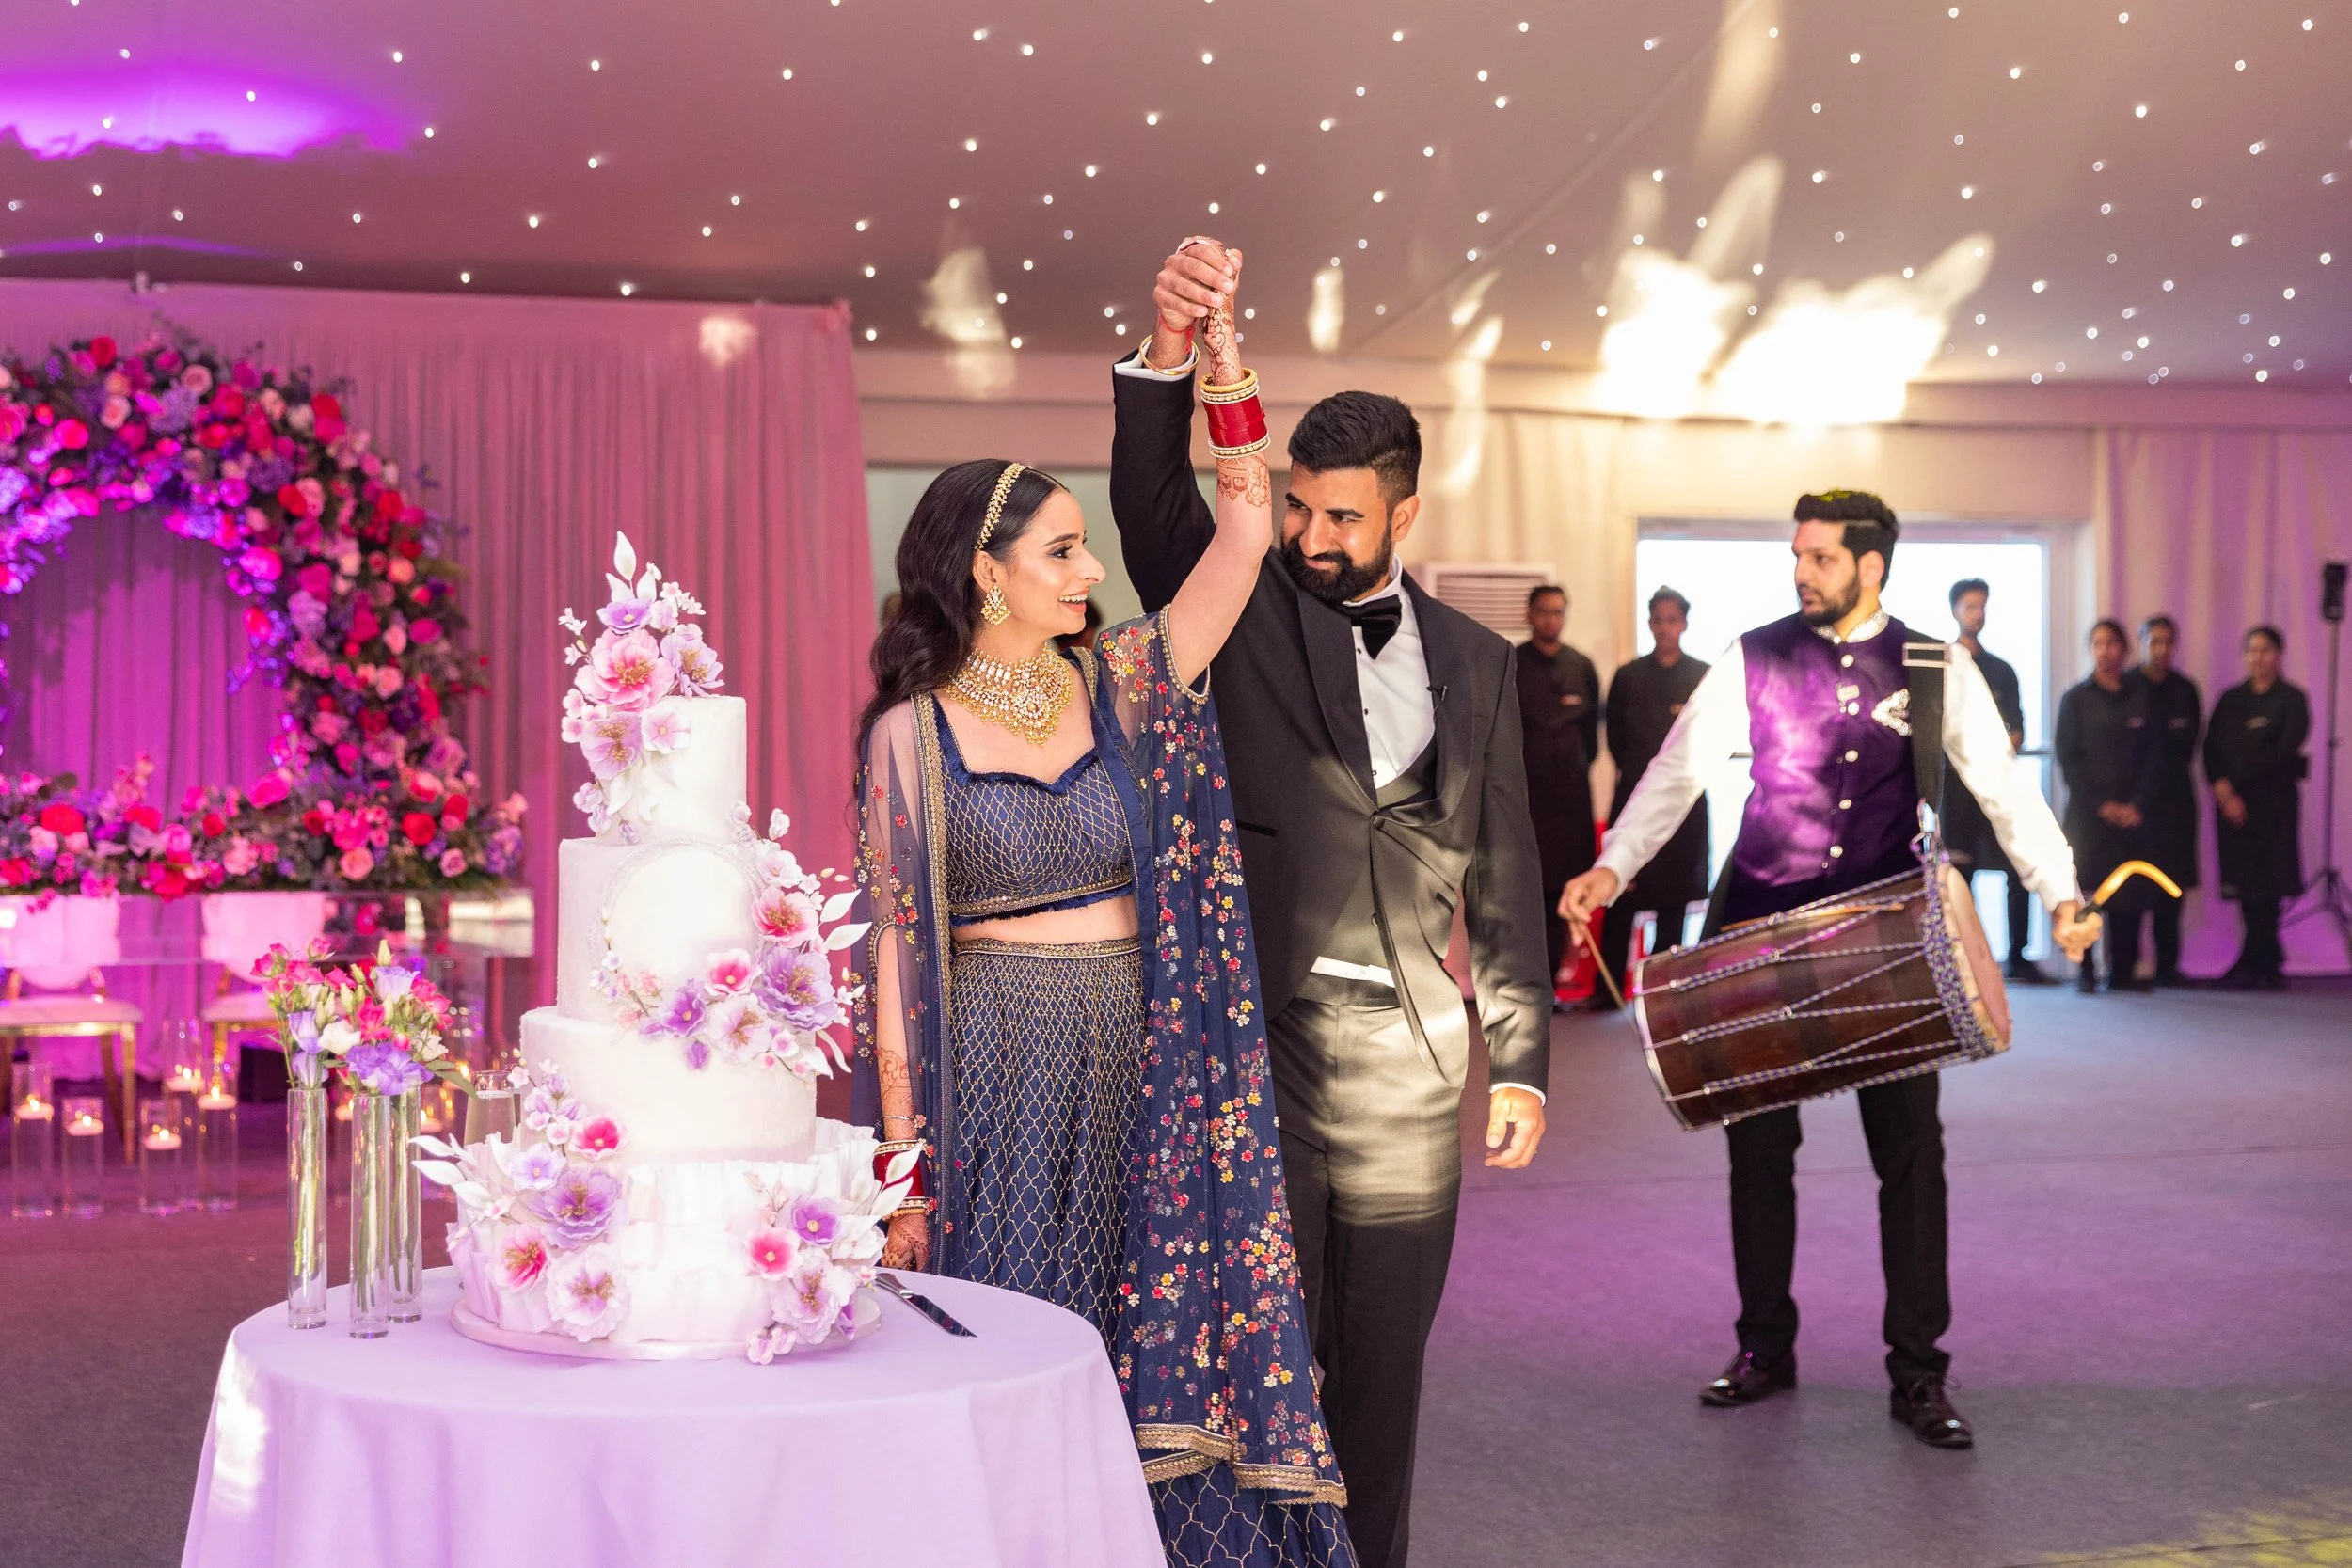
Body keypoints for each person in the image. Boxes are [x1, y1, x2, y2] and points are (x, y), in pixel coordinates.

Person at [852, 248, 1355, 1565]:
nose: (1088, 571)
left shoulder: (1130, 676)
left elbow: (1245, 527)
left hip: (1148, 1063)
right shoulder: (912, 733)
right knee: (1019, 1320)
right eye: (1062, 551)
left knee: (1146, 1342)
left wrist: (1217, 352)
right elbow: (901, 966)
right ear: (984, 572)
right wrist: (899, 1173)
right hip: (1004, 1076)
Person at [1111, 237, 1551, 1568]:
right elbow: (1154, 506)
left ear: (1401, 513)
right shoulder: (1248, 601)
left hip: (1417, 1058)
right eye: (1298, 505)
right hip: (1270, 1048)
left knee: (1384, 1372)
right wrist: (1170, 352)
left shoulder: (1479, 662)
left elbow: (1506, 862)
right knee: (1266, 1357)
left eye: (1340, 516)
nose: (1310, 535)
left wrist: (1519, 1056)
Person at [1560, 490, 2098, 1451]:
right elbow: (1676, 770)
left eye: (1818, 557)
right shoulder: (1754, 651)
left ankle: (1918, 1369)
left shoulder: (1936, 663)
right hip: (1759, 935)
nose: (1800, 570)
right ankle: (1764, 1344)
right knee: (1758, 1155)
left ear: (1871, 566)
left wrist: (2057, 890)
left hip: (1886, 949)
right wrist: (1613, 865)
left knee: (1911, 1158)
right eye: (1797, 553)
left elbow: (2005, 789)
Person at [1597, 586, 1709, 1005]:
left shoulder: (1702, 675)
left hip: (1686, 806)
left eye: (1672, 619)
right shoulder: (1628, 677)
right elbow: (1614, 743)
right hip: (1633, 797)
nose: (1665, 628)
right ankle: (1607, 994)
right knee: (1620, 893)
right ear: (1649, 624)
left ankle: (1664, 998)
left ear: (1684, 623)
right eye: (1657, 620)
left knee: (1674, 903)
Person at [1940, 578, 2051, 984]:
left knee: (2016, 872)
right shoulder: (1943, 666)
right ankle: (1966, 958)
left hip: (1998, 788)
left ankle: (2018, 956)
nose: (1977, 613)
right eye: (1970, 606)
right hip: (1957, 792)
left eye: (1982, 606)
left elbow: (2016, 729)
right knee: (1960, 879)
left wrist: (1999, 744)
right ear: (1955, 610)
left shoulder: (2002, 671)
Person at [2204, 625, 2312, 990]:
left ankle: (2264, 960)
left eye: (2265, 650)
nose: (2257, 658)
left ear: (2279, 655)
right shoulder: (2231, 699)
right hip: (2233, 808)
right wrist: (2222, 788)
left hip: (2273, 805)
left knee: (2271, 886)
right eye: (2251, 650)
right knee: (2245, 887)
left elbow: (2283, 751)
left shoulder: (2292, 699)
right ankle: (2257, 957)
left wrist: (2237, 785)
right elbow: (2211, 749)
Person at [2056, 619, 2154, 991]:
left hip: (2133, 814)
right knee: (2088, 894)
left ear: (2124, 650)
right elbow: (2069, 759)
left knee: (2130, 893)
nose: (2104, 650)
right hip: (2089, 815)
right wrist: (2102, 805)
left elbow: (2155, 757)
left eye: (2112, 643)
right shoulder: (2076, 698)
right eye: (2097, 643)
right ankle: (2084, 972)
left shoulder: (2141, 696)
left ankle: (2123, 971)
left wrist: (2136, 803)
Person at [1516, 584, 1602, 1000]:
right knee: (1524, 894)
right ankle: (1526, 987)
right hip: (1525, 802)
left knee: (1565, 892)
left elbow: (1595, 742)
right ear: (1530, 614)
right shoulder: (1510, 664)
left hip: (1571, 801)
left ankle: (1552, 984)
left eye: (1558, 612)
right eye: (1544, 611)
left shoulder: (1581, 666)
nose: (1552, 619)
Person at [2126, 614, 2202, 986]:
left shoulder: (2186, 690)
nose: (2161, 650)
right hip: (2134, 807)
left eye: (2168, 643)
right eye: (2154, 642)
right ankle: (2128, 965)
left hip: (2176, 803)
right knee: (2133, 888)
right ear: (2141, 643)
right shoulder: (2126, 687)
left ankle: (2168, 966)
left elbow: (2188, 748)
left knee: (2172, 888)